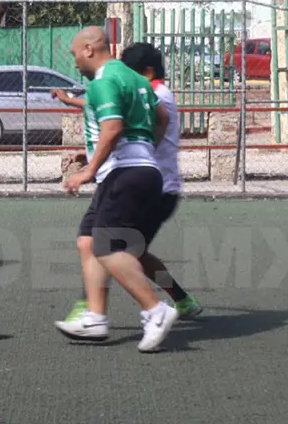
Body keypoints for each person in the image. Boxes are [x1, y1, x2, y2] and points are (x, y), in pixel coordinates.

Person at [51, 42, 202, 328]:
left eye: (130, 72)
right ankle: (178, 301)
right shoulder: (149, 91)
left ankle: (101, 310)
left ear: (146, 72)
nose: (123, 79)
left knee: (113, 247)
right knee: (121, 247)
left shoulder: (155, 93)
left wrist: (95, 162)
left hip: (155, 186)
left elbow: (124, 114)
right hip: (147, 180)